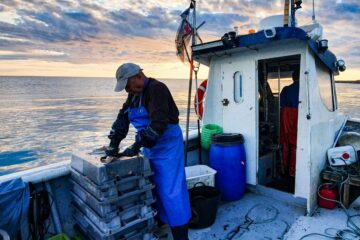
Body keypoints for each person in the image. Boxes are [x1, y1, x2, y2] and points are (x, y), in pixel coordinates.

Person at [106, 63, 191, 240]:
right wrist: (114, 143)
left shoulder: (157, 89)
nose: (127, 90)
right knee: (154, 187)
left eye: (128, 85)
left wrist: (136, 146)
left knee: (171, 191)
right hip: (150, 146)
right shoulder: (133, 95)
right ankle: (162, 224)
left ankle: (181, 235)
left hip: (167, 145)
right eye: (125, 88)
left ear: (138, 76)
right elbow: (122, 119)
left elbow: (158, 123)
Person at [280, 70, 300, 179]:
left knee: (285, 143)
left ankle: (283, 169)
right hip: (297, 115)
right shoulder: (305, 88)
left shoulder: (286, 89)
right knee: (295, 145)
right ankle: (293, 171)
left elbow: (281, 103)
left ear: (293, 78)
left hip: (285, 115)